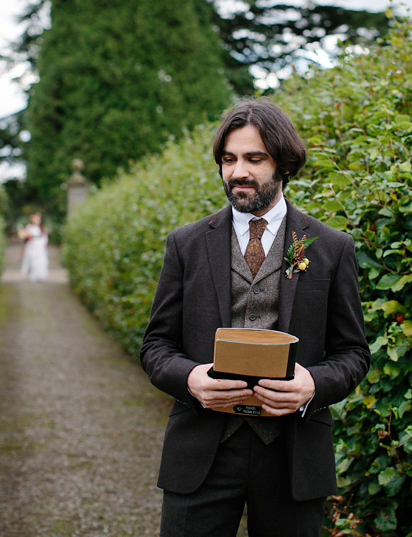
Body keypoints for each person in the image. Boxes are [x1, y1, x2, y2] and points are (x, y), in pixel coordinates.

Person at [140, 98, 369, 537]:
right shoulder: (186, 244)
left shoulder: (330, 246)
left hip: (292, 455)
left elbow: (353, 353)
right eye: (228, 159)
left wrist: (313, 386)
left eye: (253, 158)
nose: (237, 172)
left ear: (283, 164)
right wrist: (190, 379)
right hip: (202, 451)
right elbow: (155, 348)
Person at [20, 212, 49, 282]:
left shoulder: (42, 228)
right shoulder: (29, 227)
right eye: (36, 219)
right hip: (32, 246)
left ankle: (40, 275)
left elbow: (44, 237)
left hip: (40, 246)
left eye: (38, 219)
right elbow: (25, 236)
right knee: (32, 261)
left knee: (40, 261)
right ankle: (33, 275)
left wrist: (44, 244)